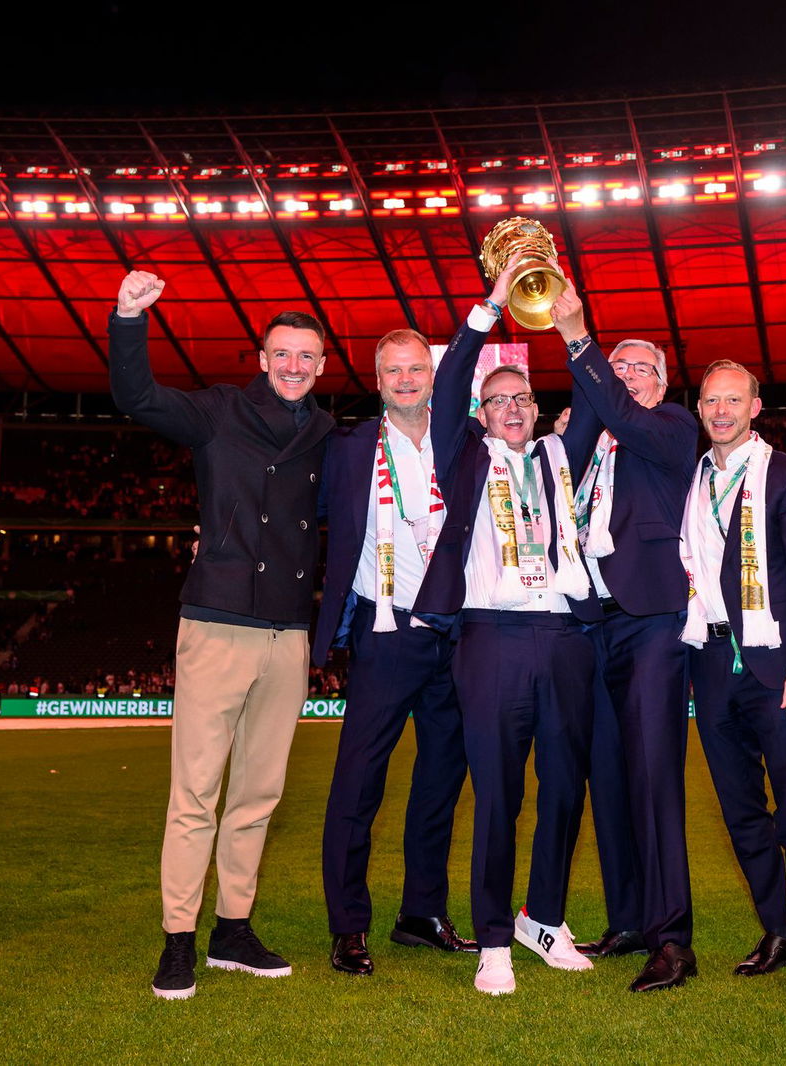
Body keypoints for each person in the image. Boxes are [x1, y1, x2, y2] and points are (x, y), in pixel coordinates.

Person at [110, 271, 335, 1001]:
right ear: (262, 356)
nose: (295, 365)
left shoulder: (330, 432)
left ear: (323, 364)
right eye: (283, 353)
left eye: (308, 355)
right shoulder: (219, 411)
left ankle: (232, 928)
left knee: (260, 794)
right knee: (195, 794)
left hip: (287, 630)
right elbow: (138, 398)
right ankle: (179, 937)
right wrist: (129, 319)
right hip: (216, 621)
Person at [311, 260, 524, 976]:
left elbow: (468, 361)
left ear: (434, 376)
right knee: (358, 783)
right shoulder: (344, 452)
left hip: (454, 635)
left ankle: (421, 914)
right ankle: (348, 924)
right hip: (382, 633)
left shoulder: (462, 440)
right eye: (393, 370)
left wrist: (489, 306)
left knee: (441, 780)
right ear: (377, 381)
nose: (406, 379)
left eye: (416, 368)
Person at [413, 324, 599, 996]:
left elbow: (596, 395)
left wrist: (573, 328)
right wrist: (487, 312)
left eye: (522, 397)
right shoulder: (463, 456)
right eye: (498, 401)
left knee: (563, 789)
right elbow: (447, 385)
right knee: (498, 795)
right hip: (490, 637)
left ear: (537, 406)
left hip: (564, 637)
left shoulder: (559, 451)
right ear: (480, 413)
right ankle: (493, 937)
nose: (512, 408)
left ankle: (543, 919)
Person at [548, 277, 700, 992]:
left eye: (639, 365)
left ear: (663, 382)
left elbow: (619, 415)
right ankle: (630, 917)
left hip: (651, 623)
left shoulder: (668, 429)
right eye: (619, 363)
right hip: (593, 623)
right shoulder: (594, 444)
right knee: (607, 778)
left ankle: (673, 939)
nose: (626, 373)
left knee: (653, 778)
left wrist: (580, 339)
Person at [679, 359, 786, 999]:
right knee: (743, 815)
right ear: (700, 409)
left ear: (755, 408)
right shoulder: (689, 478)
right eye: (711, 401)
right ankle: (777, 931)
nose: (720, 411)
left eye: (732, 400)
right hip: (711, 667)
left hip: (776, 669)